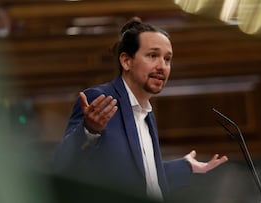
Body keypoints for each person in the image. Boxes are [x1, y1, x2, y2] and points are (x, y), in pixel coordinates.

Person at [53, 17, 228, 202]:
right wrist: (89, 130)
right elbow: (62, 166)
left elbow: (140, 176)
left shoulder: (146, 113)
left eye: (167, 59)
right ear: (126, 61)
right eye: (153, 55)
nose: (162, 66)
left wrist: (185, 166)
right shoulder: (101, 100)